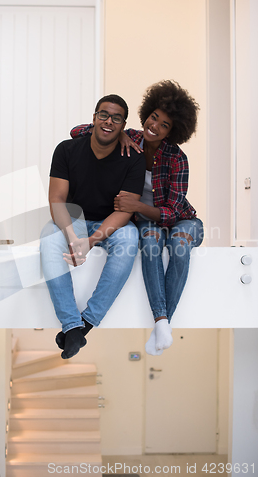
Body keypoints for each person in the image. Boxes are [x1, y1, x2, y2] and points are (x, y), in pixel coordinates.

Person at [71, 80, 204, 355]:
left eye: (164, 124)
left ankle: (161, 323)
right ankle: (162, 324)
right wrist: (117, 133)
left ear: (173, 131)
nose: (155, 125)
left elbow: (172, 212)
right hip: (147, 223)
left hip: (182, 220)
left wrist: (137, 206)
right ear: (147, 114)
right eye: (154, 117)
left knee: (179, 244)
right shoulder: (130, 138)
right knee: (151, 243)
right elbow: (76, 132)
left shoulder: (177, 158)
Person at [40, 94, 145, 359]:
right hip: (73, 218)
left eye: (116, 118)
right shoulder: (66, 150)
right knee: (49, 238)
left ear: (123, 125)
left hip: (111, 221)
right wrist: (73, 237)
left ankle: (84, 323)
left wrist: (91, 241)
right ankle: (71, 323)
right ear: (94, 118)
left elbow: (125, 210)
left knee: (130, 239)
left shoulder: (133, 157)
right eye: (104, 115)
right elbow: (57, 200)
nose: (109, 121)